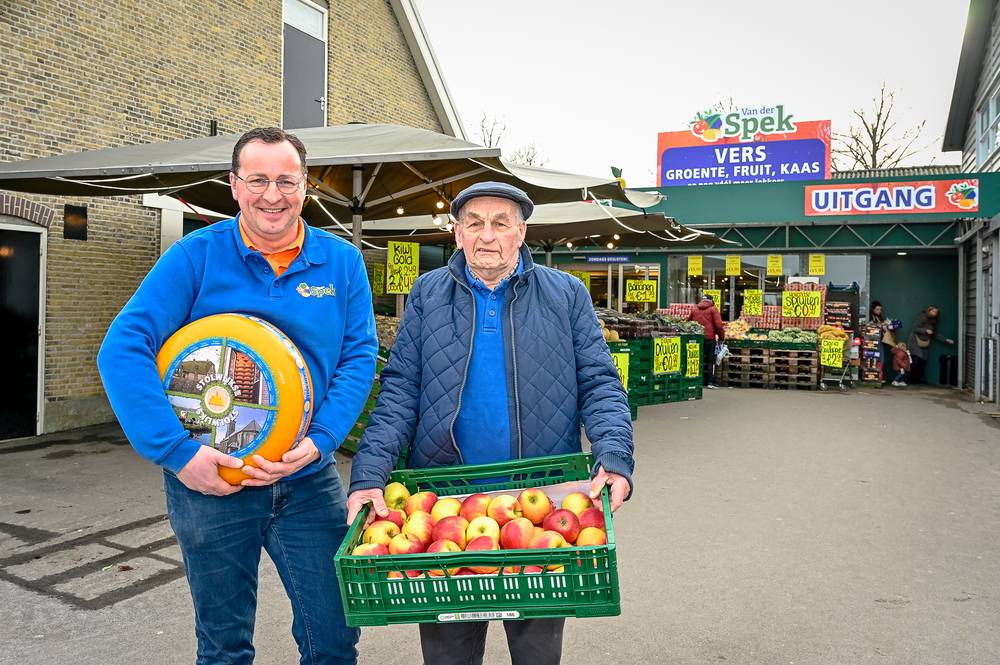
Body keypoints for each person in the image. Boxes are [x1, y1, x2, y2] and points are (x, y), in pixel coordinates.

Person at [97, 127, 377, 665]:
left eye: (286, 181)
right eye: (258, 180)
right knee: (223, 646)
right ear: (234, 185)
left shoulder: (341, 263)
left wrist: (323, 439)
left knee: (335, 636)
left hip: (306, 478)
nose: (273, 195)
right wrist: (177, 453)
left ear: (305, 186)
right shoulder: (194, 257)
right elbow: (123, 347)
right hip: (210, 479)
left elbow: (358, 357)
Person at [345, 182, 634, 665]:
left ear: (521, 232)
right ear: (457, 233)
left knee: (537, 652)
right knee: (449, 654)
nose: (487, 235)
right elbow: (399, 391)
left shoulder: (567, 295)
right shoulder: (427, 294)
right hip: (443, 506)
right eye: (474, 223)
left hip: (542, 505)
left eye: (501, 223)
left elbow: (601, 383)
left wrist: (615, 458)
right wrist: (369, 477)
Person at [906, 305, 955, 384]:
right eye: (933, 311)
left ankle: (919, 380)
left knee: (923, 361)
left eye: (936, 312)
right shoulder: (922, 317)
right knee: (916, 360)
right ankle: (912, 380)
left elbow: (934, 334)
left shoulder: (934, 322)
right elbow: (914, 328)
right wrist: (925, 330)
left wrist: (946, 340)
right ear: (929, 311)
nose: (934, 313)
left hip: (925, 342)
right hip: (915, 341)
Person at [687, 294, 726, 388]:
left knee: (697, 359)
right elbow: (718, 325)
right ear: (711, 301)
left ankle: (695, 381)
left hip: (696, 338)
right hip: (709, 338)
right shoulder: (713, 309)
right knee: (710, 361)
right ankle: (710, 382)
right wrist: (721, 337)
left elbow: (688, 322)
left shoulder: (694, 309)